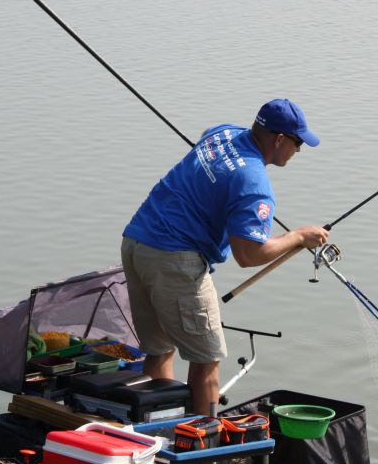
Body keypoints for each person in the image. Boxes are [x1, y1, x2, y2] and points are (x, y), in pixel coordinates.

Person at [121, 99, 329, 415]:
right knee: (207, 359)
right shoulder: (254, 182)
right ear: (279, 140)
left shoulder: (222, 133)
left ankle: (157, 434)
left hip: (137, 242)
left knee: (159, 349)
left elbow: (211, 157)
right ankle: (203, 452)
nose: (298, 151)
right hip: (173, 259)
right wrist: (298, 237)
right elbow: (248, 255)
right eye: (298, 143)